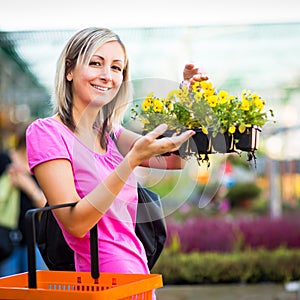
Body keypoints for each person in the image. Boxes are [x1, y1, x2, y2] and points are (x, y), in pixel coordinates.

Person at [26, 27, 208, 284]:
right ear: (69, 70)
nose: (106, 76)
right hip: (97, 283)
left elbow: (174, 158)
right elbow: (75, 224)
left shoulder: (109, 133)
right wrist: (131, 161)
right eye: (95, 63)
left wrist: (188, 99)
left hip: (137, 275)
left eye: (116, 68)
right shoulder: (47, 133)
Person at [0, 125, 48, 277]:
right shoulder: (4, 160)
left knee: (35, 285)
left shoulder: (43, 166)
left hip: (33, 239)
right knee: (8, 286)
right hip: (6, 237)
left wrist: (28, 185)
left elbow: (45, 205)